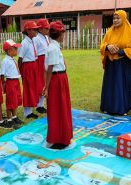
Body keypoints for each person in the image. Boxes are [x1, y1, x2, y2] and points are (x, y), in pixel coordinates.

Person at [100, 10, 131, 115]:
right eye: (114, 18)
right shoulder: (110, 31)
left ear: (123, 18)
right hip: (111, 63)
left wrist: (120, 51)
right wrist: (108, 47)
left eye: (118, 18)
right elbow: (103, 44)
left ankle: (123, 108)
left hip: (123, 64)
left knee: (121, 85)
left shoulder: (130, 32)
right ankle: (107, 107)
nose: (115, 20)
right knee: (110, 85)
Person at [43, 21, 73, 150]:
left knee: (60, 107)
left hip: (58, 78)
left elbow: (47, 69)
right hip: (57, 79)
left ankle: (62, 136)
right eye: (63, 34)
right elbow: (49, 69)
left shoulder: (52, 46)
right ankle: (59, 137)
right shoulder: (53, 48)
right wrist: (47, 87)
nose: (64, 36)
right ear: (59, 34)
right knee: (58, 108)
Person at [18, 20, 40, 119]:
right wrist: (20, 71)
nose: (36, 31)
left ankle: (31, 108)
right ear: (28, 31)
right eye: (34, 29)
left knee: (33, 87)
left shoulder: (33, 41)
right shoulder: (24, 43)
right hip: (27, 67)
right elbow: (20, 58)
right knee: (28, 88)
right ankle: (27, 112)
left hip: (33, 65)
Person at [1, 39, 24, 127]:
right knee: (10, 100)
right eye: (15, 48)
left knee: (16, 99)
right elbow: (2, 74)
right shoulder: (5, 61)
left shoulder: (13, 59)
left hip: (16, 81)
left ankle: (14, 117)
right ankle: (9, 119)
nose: (17, 50)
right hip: (10, 82)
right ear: (9, 51)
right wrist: (3, 84)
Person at [35, 18, 50, 114]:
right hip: (40, 60)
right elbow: (34, 52)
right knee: (41, 82)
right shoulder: (36, 38)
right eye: (46, 28)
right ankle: (39, 105)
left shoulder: (46, 37)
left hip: (47, 59)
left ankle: (42, 104)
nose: (48, 30)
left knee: (46, 81)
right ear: (40, 29)